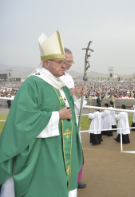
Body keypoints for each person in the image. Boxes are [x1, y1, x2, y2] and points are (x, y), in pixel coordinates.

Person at [0, 31, 83, 196]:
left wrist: (75, 98)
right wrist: (56, 116)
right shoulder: (32, 84)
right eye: (60, 62)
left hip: (62, 149)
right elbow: (23, 120)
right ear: (46, 63)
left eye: (65, 63)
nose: (64, 66)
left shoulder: (61, 85)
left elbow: (69, 111)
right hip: (41, 151)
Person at [60, 47, 87, 189]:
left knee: (76, 153)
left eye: (71, 62)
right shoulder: (47, 78)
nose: (69, 64)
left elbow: (72, 103)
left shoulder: (69, 78)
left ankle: (74, 180)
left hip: (71, 122)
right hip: (59, 123)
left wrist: (77, 96)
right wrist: (68, 94)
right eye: (66, 61)